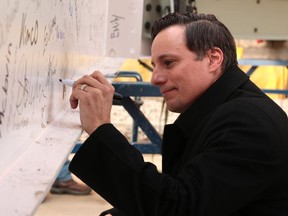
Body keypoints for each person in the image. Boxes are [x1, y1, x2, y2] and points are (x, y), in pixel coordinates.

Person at [68, 12, 288, 215]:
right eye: (154, 65)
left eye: (169, 62)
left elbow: (180, 208)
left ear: (213, 59)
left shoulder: (247, 122)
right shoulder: (226, 112)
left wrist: (101, 129)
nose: (155, 78)